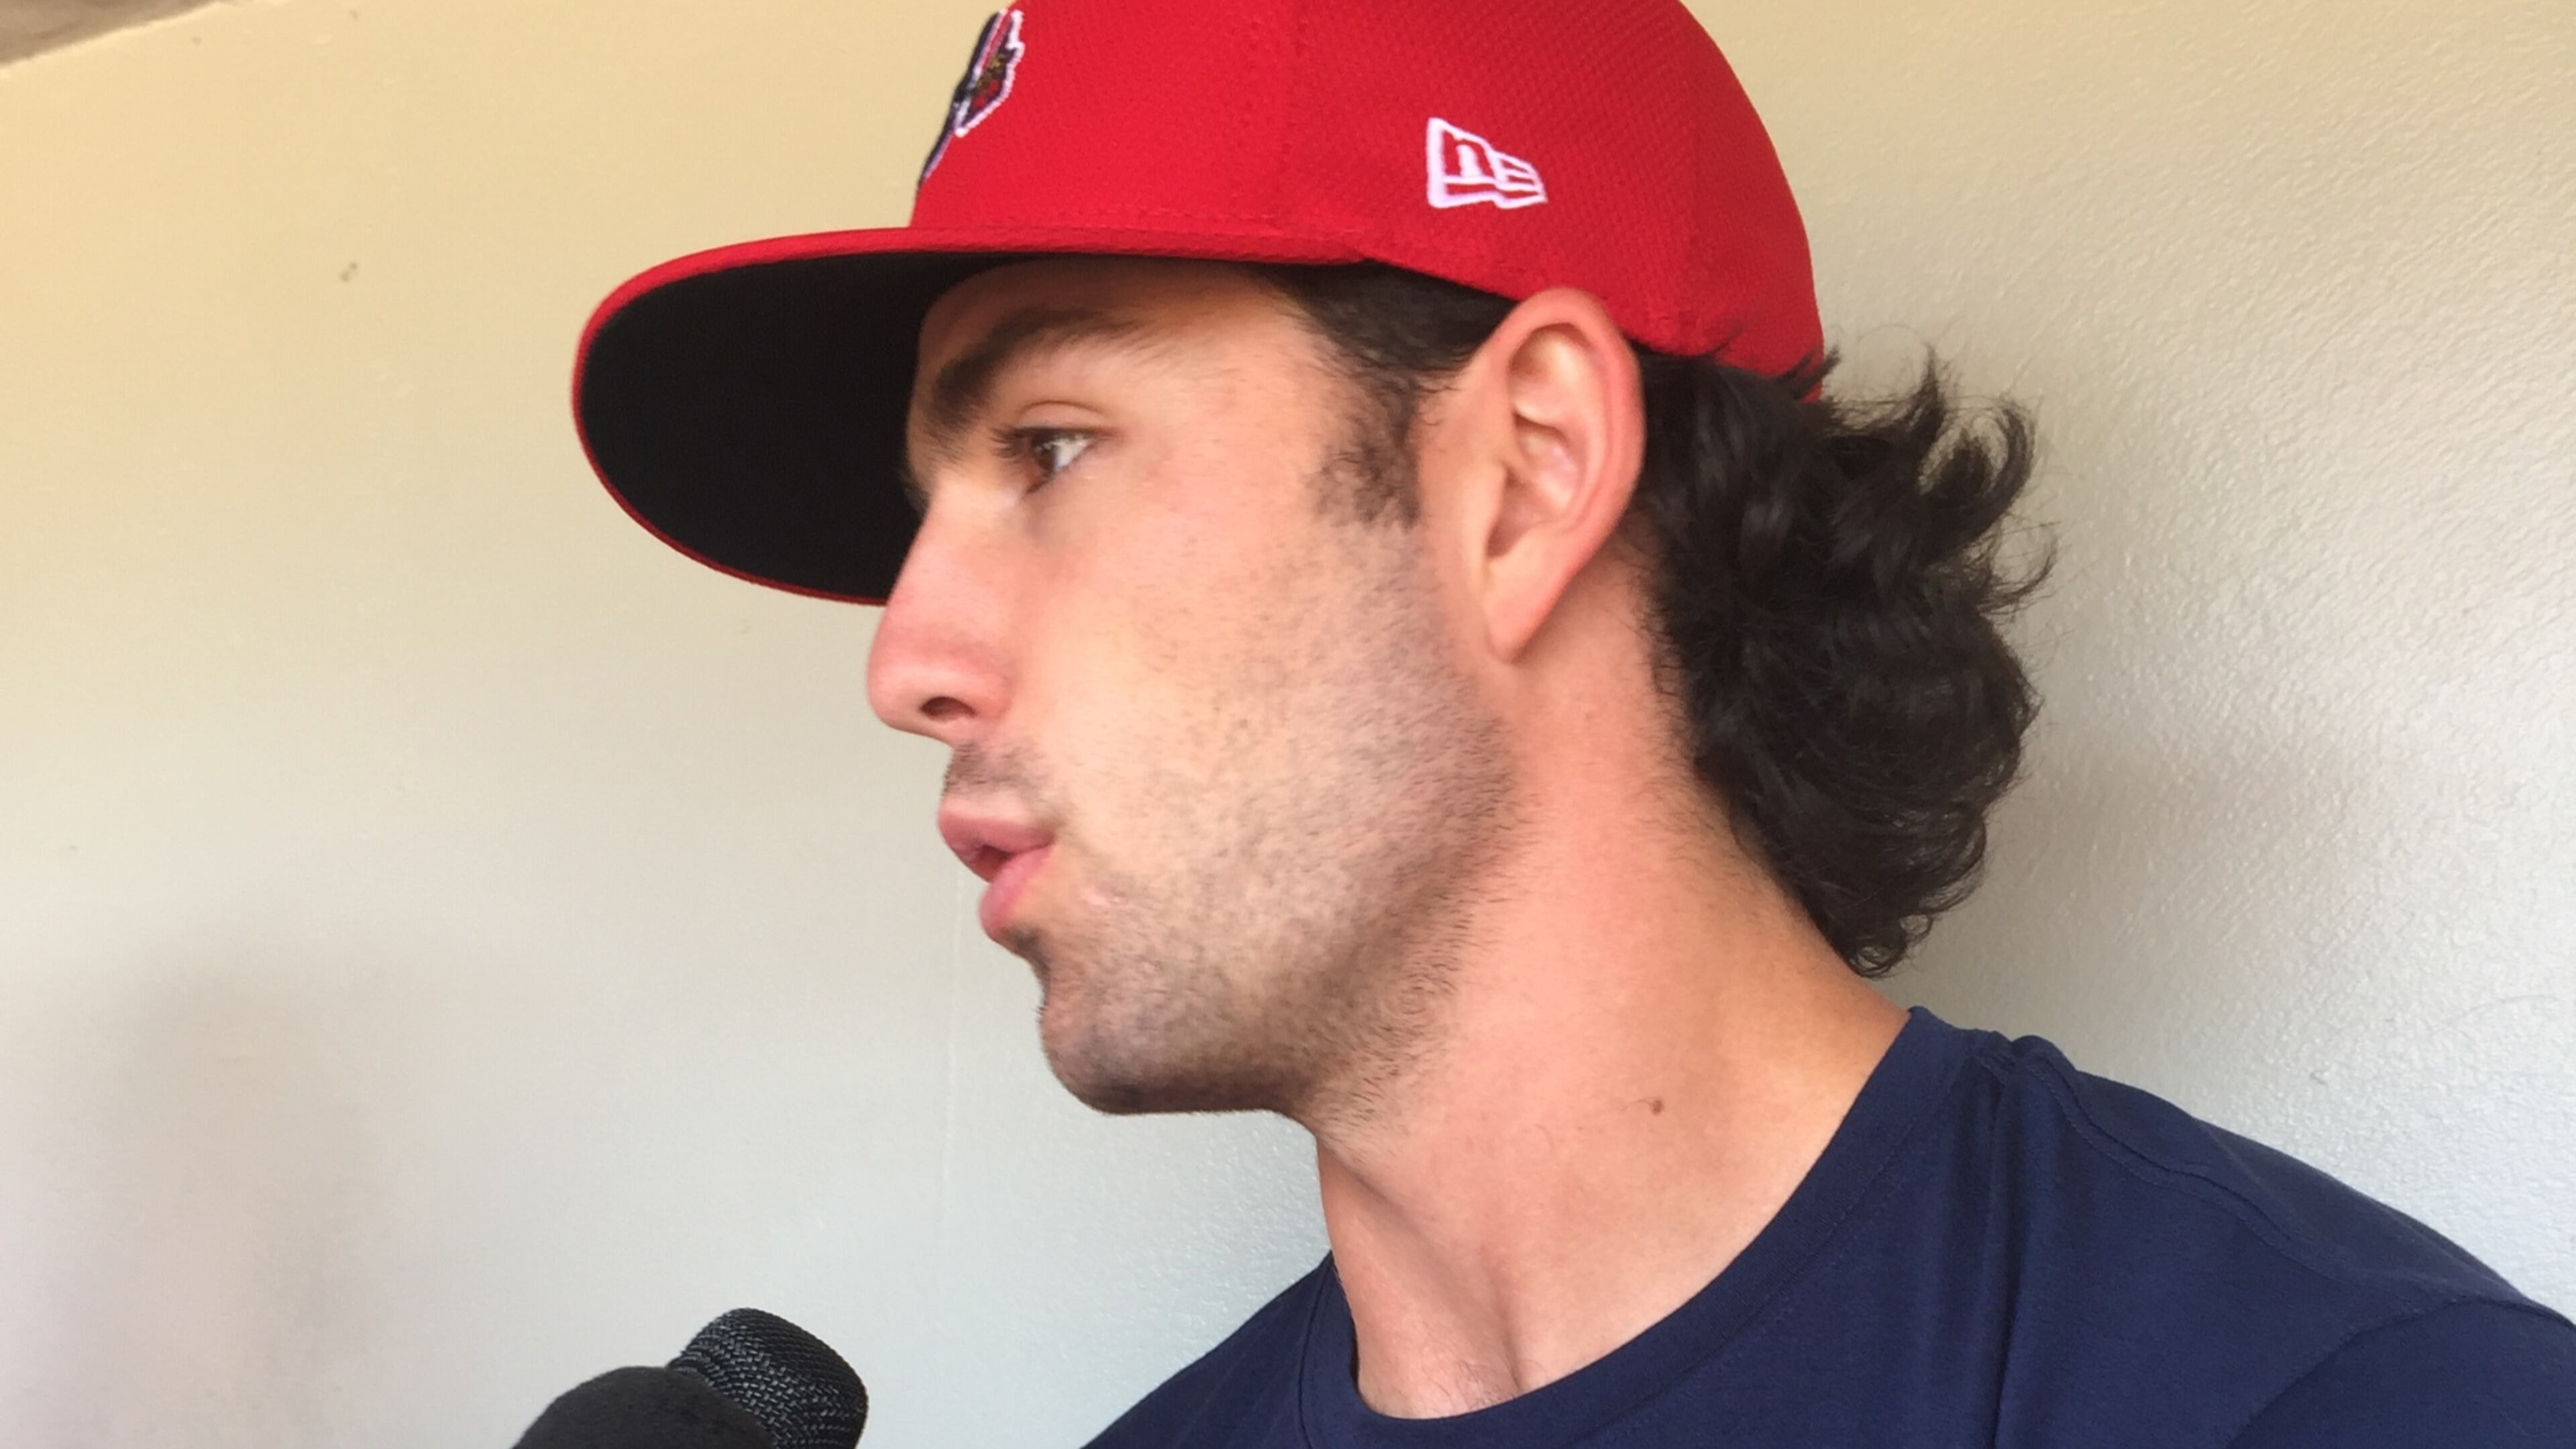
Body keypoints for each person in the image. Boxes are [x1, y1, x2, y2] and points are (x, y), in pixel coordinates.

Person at [568, 0, 2576, 1442]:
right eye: (932, 518)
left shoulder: (2351, 1403)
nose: (905, 656)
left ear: (1527, 473)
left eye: (1057, 445)